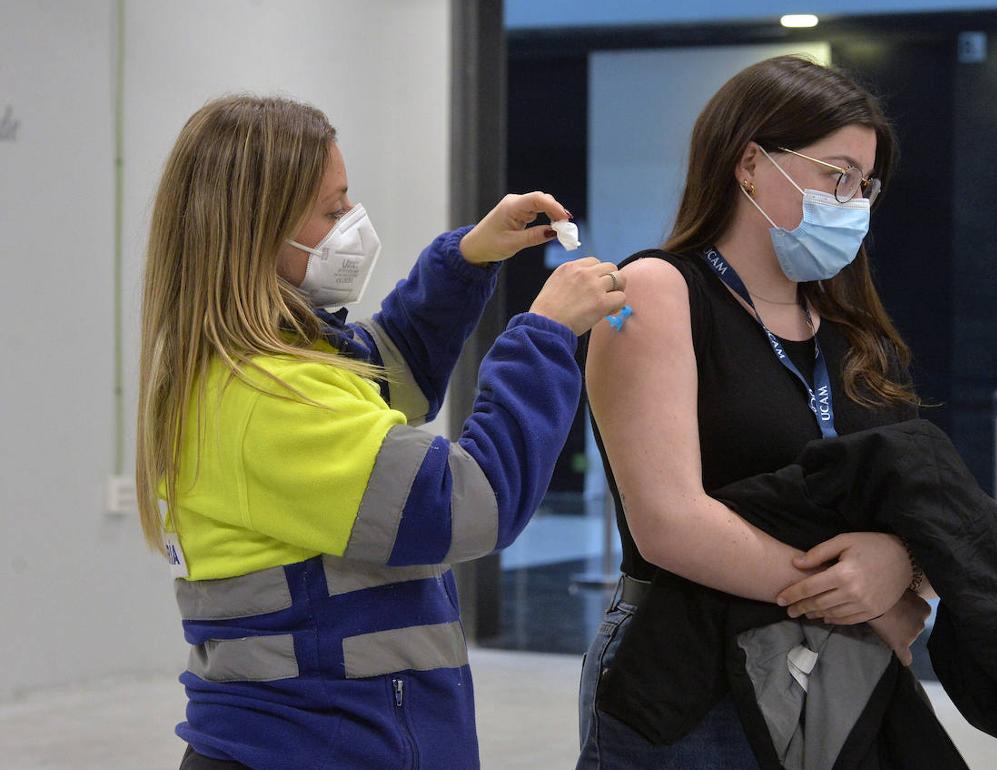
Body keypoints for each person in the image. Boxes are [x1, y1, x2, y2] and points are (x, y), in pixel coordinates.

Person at [135, 95, 626, 770]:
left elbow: (385, 365)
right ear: (257, 231)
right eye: (333, 210)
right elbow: (466, 505)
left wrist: (470, 258)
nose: (352, 224)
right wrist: (542, 338)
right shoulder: (268, 395)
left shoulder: (259, 367)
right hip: (316, 744)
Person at [578, 56, 936, 768]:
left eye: (864, 185)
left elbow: (919, 493)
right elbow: (669, 524)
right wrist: (852, 596)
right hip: (688, 666)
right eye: (836, 175)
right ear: (749, 164)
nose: (853, 201)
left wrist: (906, 564)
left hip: (836, 672)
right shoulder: (657, 290)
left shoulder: (846, 323)